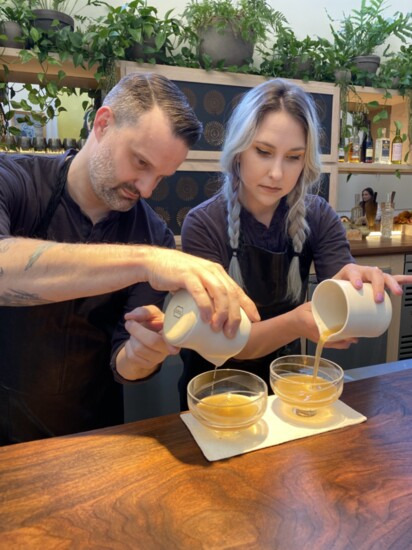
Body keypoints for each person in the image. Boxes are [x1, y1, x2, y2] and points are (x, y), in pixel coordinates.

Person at [0, 72, 259, 445]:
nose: (146, 188)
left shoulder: (151, 233)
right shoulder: (15, 179)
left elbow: (123, 361)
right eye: (140, 162)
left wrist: (143, 354)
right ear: (103, 123)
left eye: (161, 176)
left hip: (94, 434)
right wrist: (144, 262)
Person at [177, 78, 411, 409]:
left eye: (293, 157)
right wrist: (297, 322)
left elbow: (341, 278)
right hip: (214, 392)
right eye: (263, 152)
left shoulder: (317, 215)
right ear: (239, 150)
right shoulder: (204, 224)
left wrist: (357, 290)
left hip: (283, 391)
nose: (276, 173)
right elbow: (227, 343)